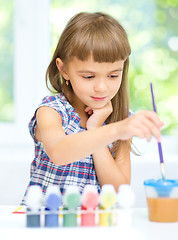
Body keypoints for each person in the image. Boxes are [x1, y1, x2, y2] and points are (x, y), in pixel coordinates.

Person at [22, 12, 163, 204]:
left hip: (93, 225)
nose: (102, 87)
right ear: (64, 70)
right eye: (89, 77)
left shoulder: (119, 119)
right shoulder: (51, 111)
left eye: (113, 76)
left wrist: (96, 128)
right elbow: (59, 153)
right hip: (47, 224)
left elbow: (117, 189)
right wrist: (115, 131)